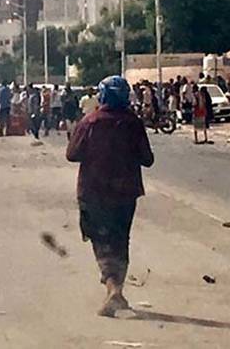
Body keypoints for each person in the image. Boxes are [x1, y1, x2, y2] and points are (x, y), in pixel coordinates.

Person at [66, 76, 154, 318]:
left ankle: (113, 289)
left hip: (93, 192)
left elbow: (72, 154)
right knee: (120, 239)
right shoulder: (133, 124)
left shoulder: (90, 121)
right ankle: (116, 291)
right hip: (126, 193)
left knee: (101, 241)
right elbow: (148, 159)